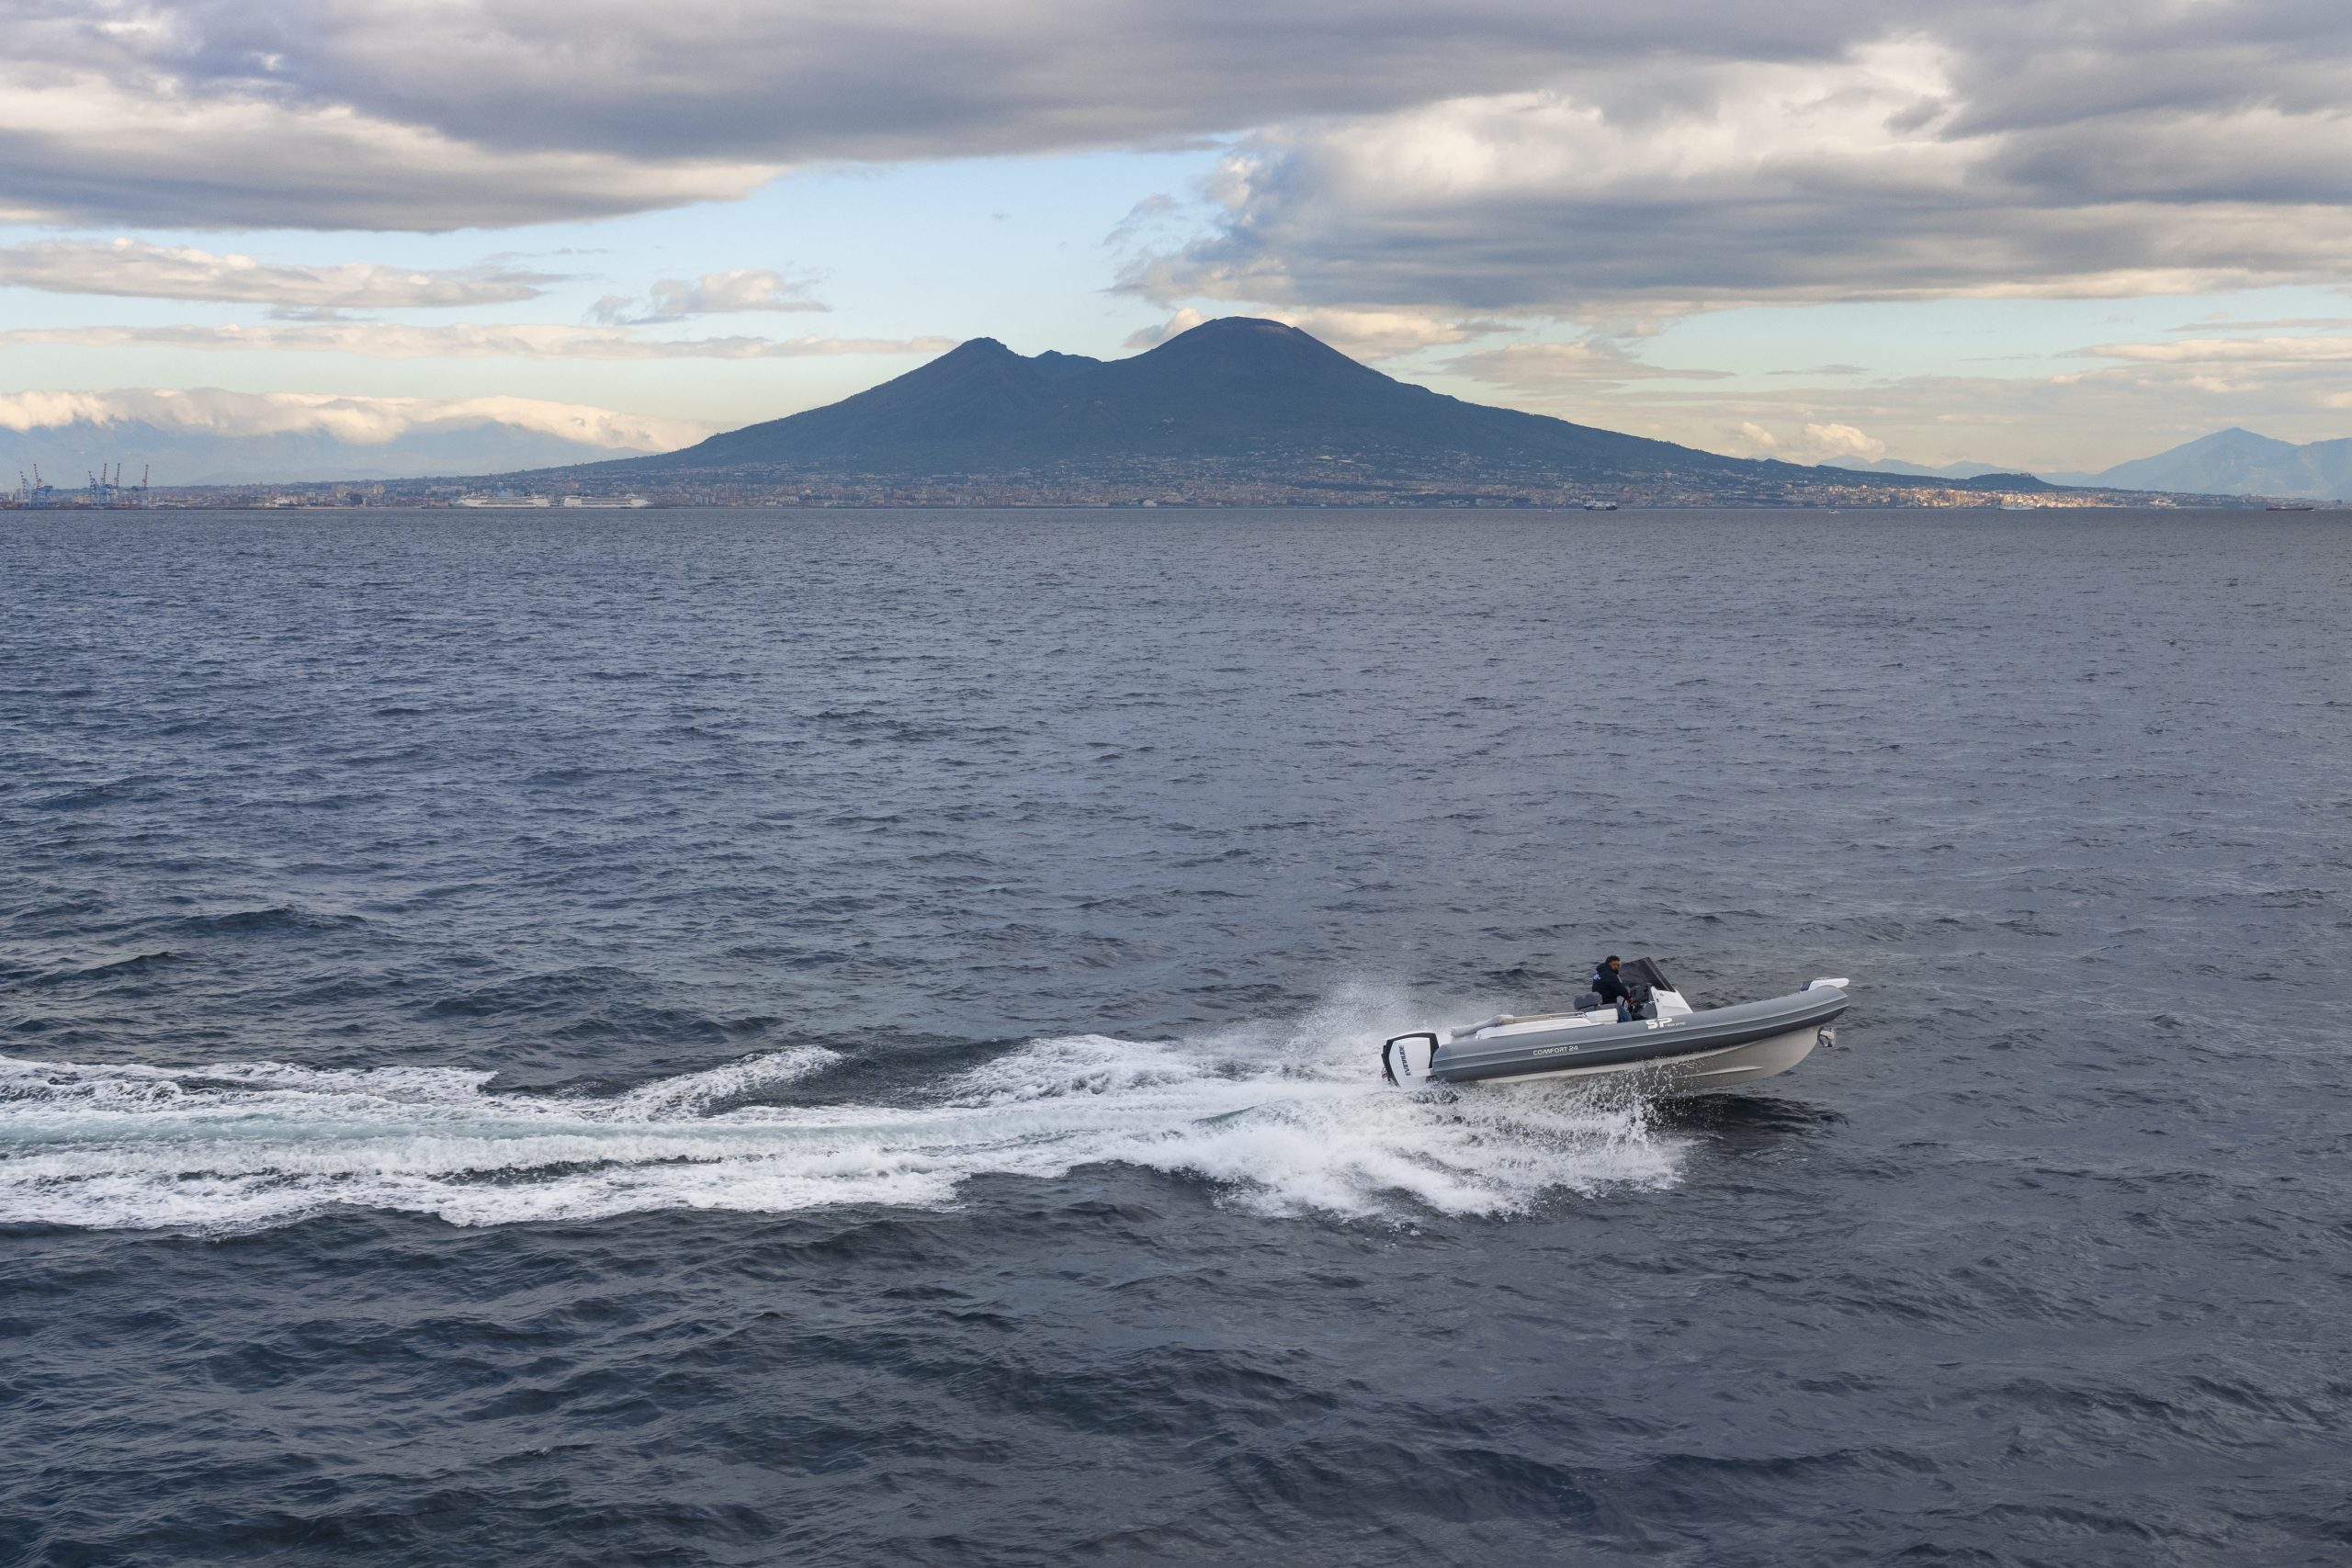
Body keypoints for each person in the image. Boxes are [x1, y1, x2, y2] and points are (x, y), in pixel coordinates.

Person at [1591, 955, 1642, 1022]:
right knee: (1627, 1016)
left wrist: (1618, 994)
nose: (1618, 967)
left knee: (1619, 1016)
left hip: (1600, 1003)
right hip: (1609, 1003)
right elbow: (1619, 987)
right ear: (1613, 965)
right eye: (1618, 965)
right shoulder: (1609, 974)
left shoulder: (1598, 974)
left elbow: (1605, 988)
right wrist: (1628, 998)